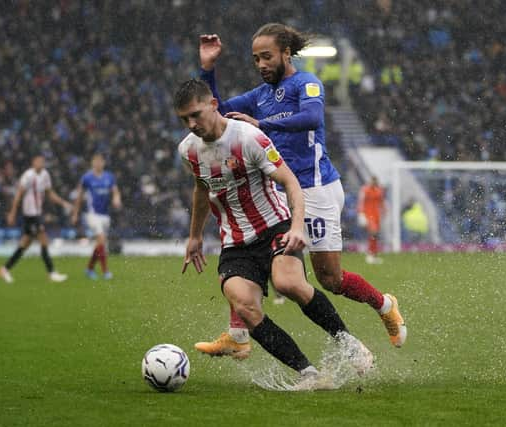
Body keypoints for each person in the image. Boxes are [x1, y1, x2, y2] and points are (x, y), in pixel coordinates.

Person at [197, 23, 406, 357]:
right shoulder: (260, 95)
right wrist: (208, 69)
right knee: (250, 250)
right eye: (255, 59)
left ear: (286, 53)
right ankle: (238, 333)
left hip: (316, 188)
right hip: (279, 192)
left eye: (267, 57)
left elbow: (311, 117)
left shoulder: (306, 83)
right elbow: (216, 111)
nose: (261, 64)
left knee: (330, 279)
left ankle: (384, 304)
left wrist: (261, 124)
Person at [174, 79, 372, 389]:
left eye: (196, 114)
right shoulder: (188, 150)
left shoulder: (249, 137)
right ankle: (309, 373)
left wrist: (296, 227)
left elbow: (291, 182)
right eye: (184, 119)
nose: (191, 124)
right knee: (245, 306)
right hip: (235, 242)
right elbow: (201, 189)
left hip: (275, 226)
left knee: (288, 283)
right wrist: (195, 236)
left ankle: (348, 342)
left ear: (213, 104)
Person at [0, 155, 70, 283]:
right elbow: (19, 194)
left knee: (24, 244)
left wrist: (63, 203)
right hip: (30, 215)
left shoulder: (45, 175)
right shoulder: (28, 176)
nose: (40, 163)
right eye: (38, 161)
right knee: (43, 239)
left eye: (42, 161)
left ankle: (5, 269)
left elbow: (50, 193)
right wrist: (12, 213)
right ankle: (51, 272)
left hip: (37, 214)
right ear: (33, 162)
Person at [71, 153, 122, 280]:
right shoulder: (87, 178)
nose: (98, 163)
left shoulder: (109, 177)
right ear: (92, 163)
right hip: (92, 214)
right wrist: (75, 213)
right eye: (96, 161)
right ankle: (106, 272)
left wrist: (117, 199)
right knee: (102, 241)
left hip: (105, 215)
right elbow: (79, 196)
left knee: (99, 245)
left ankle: (89, 269)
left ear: (103, 163)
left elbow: (115, 191)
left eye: (100, 161)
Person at [357, 176, 386, 264]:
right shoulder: (365, 190)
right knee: (373, 233)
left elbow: (381, 202)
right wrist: (361, 213)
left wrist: (384, 211)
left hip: (376, 215)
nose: (374, 182)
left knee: (375, 235)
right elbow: (360, 202)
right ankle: (370, 254)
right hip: (368, 215)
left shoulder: (379, 190)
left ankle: (373, 255)